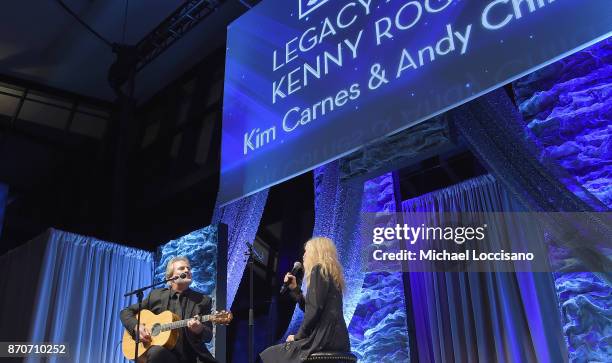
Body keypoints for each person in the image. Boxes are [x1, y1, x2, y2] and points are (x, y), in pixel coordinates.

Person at [260, 237, 351, 363]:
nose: (304, 256)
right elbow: (313, 307)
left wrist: (298, 336)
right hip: (339, 339)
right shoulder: (332, 276)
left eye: (306, 252)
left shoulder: (318, 269)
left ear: (315, 252)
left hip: (324, 338)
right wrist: (295, 289)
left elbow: (313, 311)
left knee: (269, 354)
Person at [120, 256, 218, 363]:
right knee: (156, 352)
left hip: (190, 358)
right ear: (170, 276)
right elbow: (126, 312)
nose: (187, 270)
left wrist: (199, 329)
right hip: (162, 354)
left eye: (188, 268)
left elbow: (208, 336)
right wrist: (136, 326)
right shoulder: (156, 295)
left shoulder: (203, 300)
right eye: (182, 268)